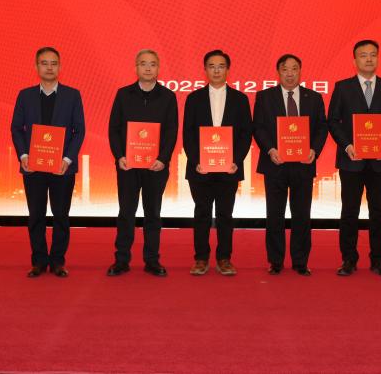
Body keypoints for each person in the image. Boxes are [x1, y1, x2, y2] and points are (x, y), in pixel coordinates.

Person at [327, 40, 381, 277]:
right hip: (351, 160)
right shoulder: (343, 87)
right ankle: (348, 259)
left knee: (379, 212)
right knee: (349, 212)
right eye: (363, 55)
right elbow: (333, 121)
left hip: (380, 161)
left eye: (373, 55)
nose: (369, 59)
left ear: (378, 58)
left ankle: (379, 259)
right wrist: (347, 145)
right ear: (355, 61)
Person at [10, 47, 86, 278]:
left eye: (54, 63)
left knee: (61, 216)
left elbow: (79, 130)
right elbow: (16, 128)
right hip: (33, 166)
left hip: (62, 167)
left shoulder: (73, 95)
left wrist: (67, 159)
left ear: (60, 67)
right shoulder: (25, 95)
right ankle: (39, 261)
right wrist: (24, 156)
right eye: (44, 63)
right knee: (36, 215)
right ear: (36, 67)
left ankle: (58, 261)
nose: (49, 67)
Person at [252, 54, 328, 276]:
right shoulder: (265, 97)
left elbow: (322, 128)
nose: (290, 73)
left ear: (300, 71)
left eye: (294, 69)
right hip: (275, 163)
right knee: (274, 214)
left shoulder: (314, 98)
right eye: (285, 69)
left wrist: (314, 150)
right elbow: (258, 127)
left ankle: (300, 261)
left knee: (302, 214)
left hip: (303, 164)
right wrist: (270, 149)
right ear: (278, 72)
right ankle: (275, 261)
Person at [106, 50, 179, 277]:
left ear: (158, 68)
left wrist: (163, 159)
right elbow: (114, 129)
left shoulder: (168, 97)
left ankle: (152, 260)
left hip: (155, 167)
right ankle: (121, 260)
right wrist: (119, 156)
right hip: (128, 166)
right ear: (136, 67)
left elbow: (171, 131)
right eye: (143, 64)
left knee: (153, 213)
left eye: (153, 64)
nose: (148, 68)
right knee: (126, 213)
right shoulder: (123, 94)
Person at [182, 50, 252, 276]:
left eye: (221, 66)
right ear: (205, 70)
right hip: (200, 169)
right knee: (201, 214)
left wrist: (236, 160)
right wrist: (196, 161)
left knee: (225, 215)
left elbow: (245, 134)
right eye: (211, 66)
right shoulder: (194, 98)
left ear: (228, 70)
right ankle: (201, 258)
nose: (216, 70)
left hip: (229, 168)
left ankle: (224, 258)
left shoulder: (240, 99)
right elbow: (188, 134)